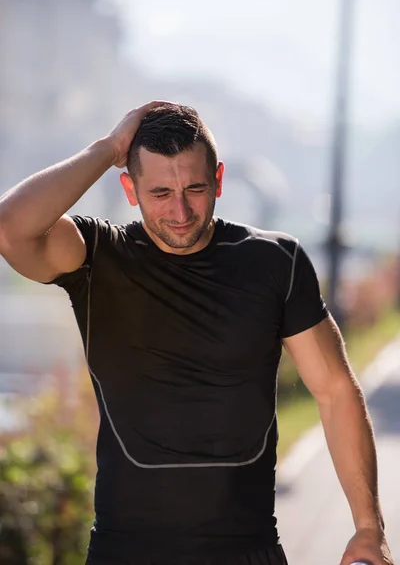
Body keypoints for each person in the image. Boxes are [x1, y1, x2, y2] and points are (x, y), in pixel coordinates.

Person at [0, 102, 393, 565]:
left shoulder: (274, 262)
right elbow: (10, 230)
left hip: (249, 550)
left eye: (195, 188)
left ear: (220, 180)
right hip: (124, 552)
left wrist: (369, 528)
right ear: (130, 188)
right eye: (161, 192)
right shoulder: (97, 256)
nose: (180, 210)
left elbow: (334, 392)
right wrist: (108, 149)